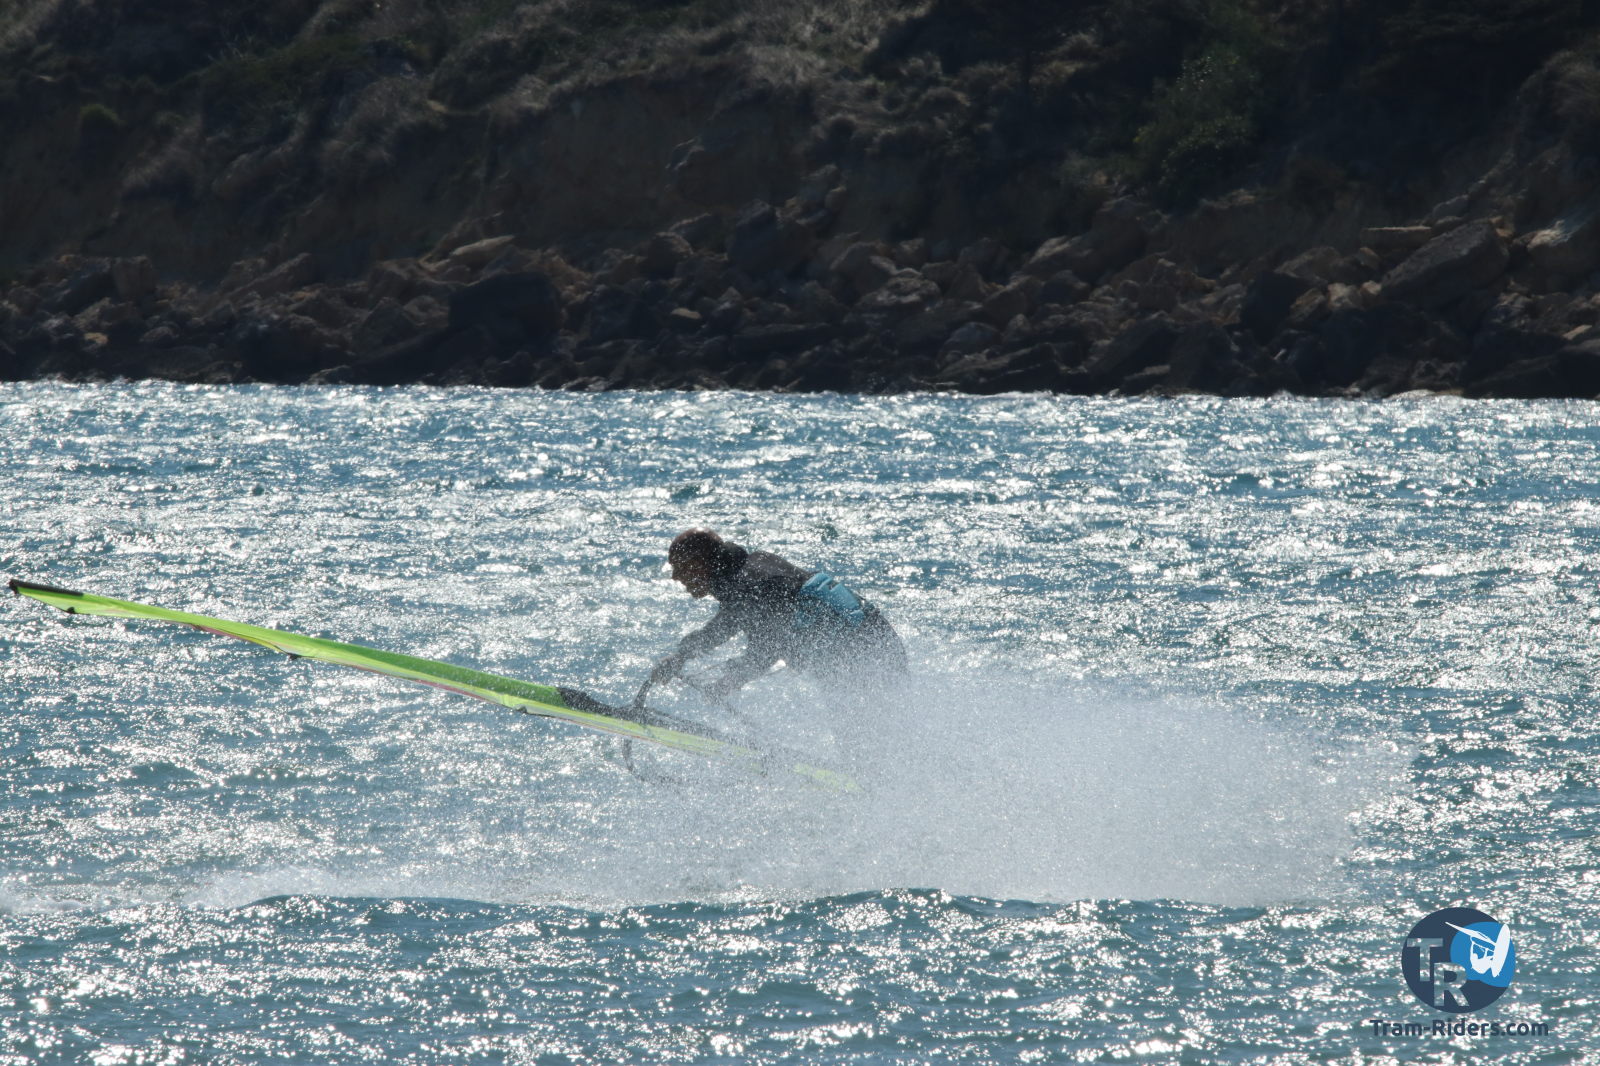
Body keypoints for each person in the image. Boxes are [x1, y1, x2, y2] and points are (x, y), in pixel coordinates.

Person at [647, 528, 906, 702]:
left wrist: (731, 680)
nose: (675, 576)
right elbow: (727, 625)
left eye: (680, 567)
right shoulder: (748, 570)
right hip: (878, 643)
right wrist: (682, 656)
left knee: (860, 738)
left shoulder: (750, 584)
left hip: (864, 657)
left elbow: (768, 645)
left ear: (700, 564)